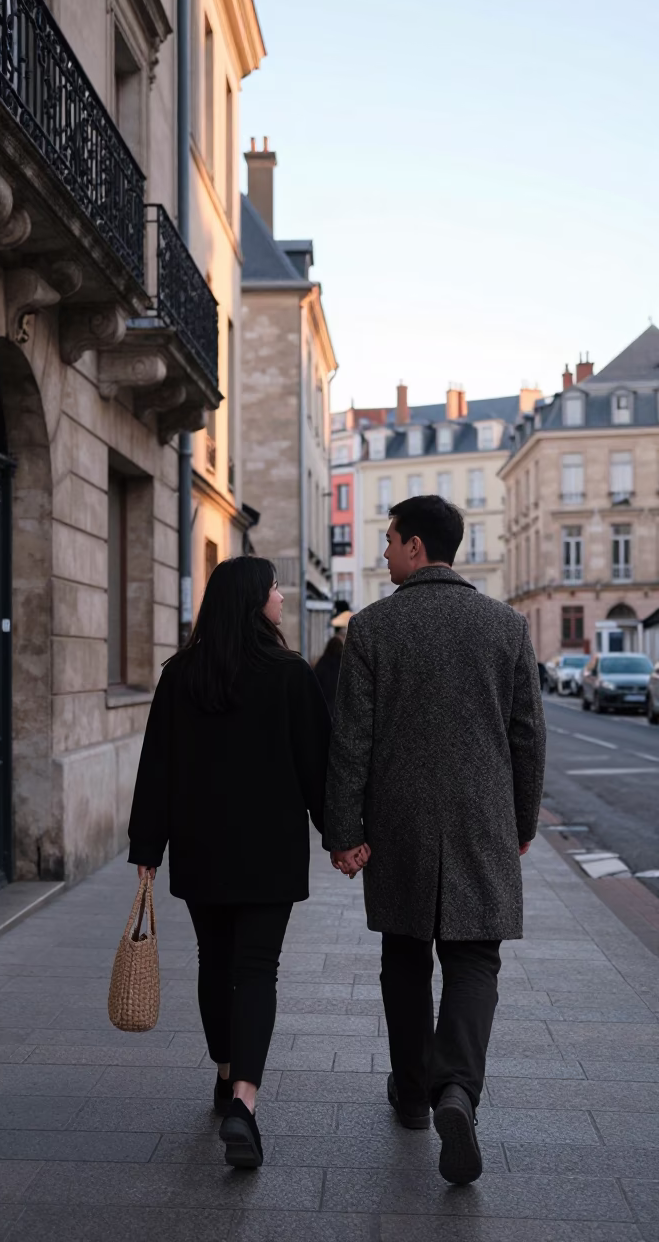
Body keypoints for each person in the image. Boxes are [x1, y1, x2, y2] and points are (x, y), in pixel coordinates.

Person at [324, 495, 545, 1186]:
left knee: (405, 955)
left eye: (389, 540)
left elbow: (351, 740)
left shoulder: (373, 628)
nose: (384, 551)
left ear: (416, 547)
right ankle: (458, 1089)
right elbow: (528, 736)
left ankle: (414, 1092)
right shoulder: (506, 626)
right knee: (475, 960)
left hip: (401, 820)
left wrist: (346, 831)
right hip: (483, 816)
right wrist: (522, 823)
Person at [128, 557, 331, 1169]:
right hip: (269, 849)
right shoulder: (291, 674)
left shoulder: (181, 675)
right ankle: (244, 1100)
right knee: (257, 970)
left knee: (214, 962)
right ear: (252, 599)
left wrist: (147, 848)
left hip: (201, 845)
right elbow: (318, 766)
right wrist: (342, 836)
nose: (280, 597)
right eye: (273, 587)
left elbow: (155, 766)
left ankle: (223, 1073)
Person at [313, 635, 345, 717]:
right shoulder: (343, 664)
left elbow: (314, 683)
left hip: (323, 706)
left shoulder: (322, 662)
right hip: (340, 708)